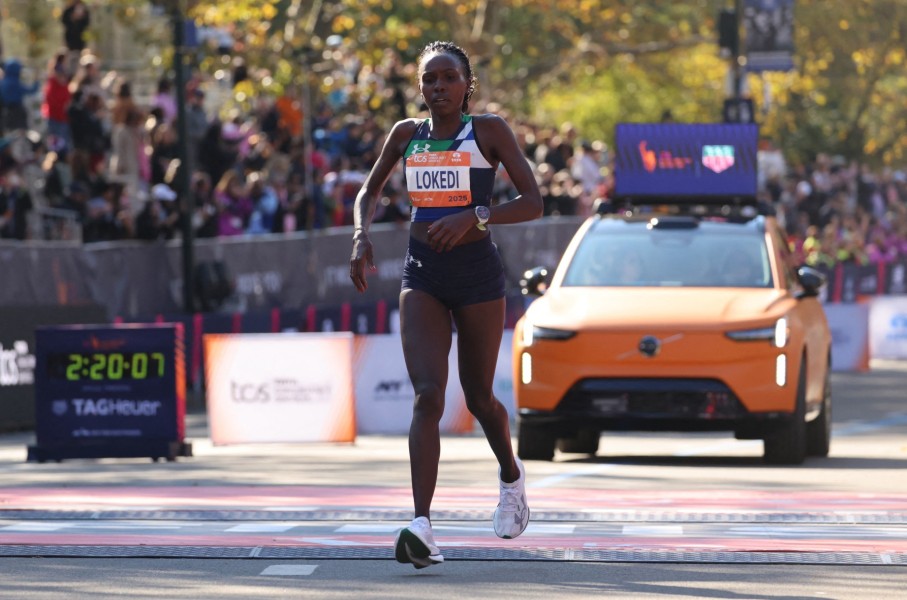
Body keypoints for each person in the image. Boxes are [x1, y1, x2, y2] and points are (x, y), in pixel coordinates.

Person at [349, 40, 543, 570]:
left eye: (448, 78)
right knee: (427, 397)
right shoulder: (405, 135)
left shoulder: (488, 131)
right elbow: (368, 191)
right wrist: (361, 235)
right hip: (423, 276)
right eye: (429, 80)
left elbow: (533, 201)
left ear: (466, 84)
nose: (437, 88)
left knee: (479, 399)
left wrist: (477, 216)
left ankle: (510, 476)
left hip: (478, 278)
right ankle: (422, 525)